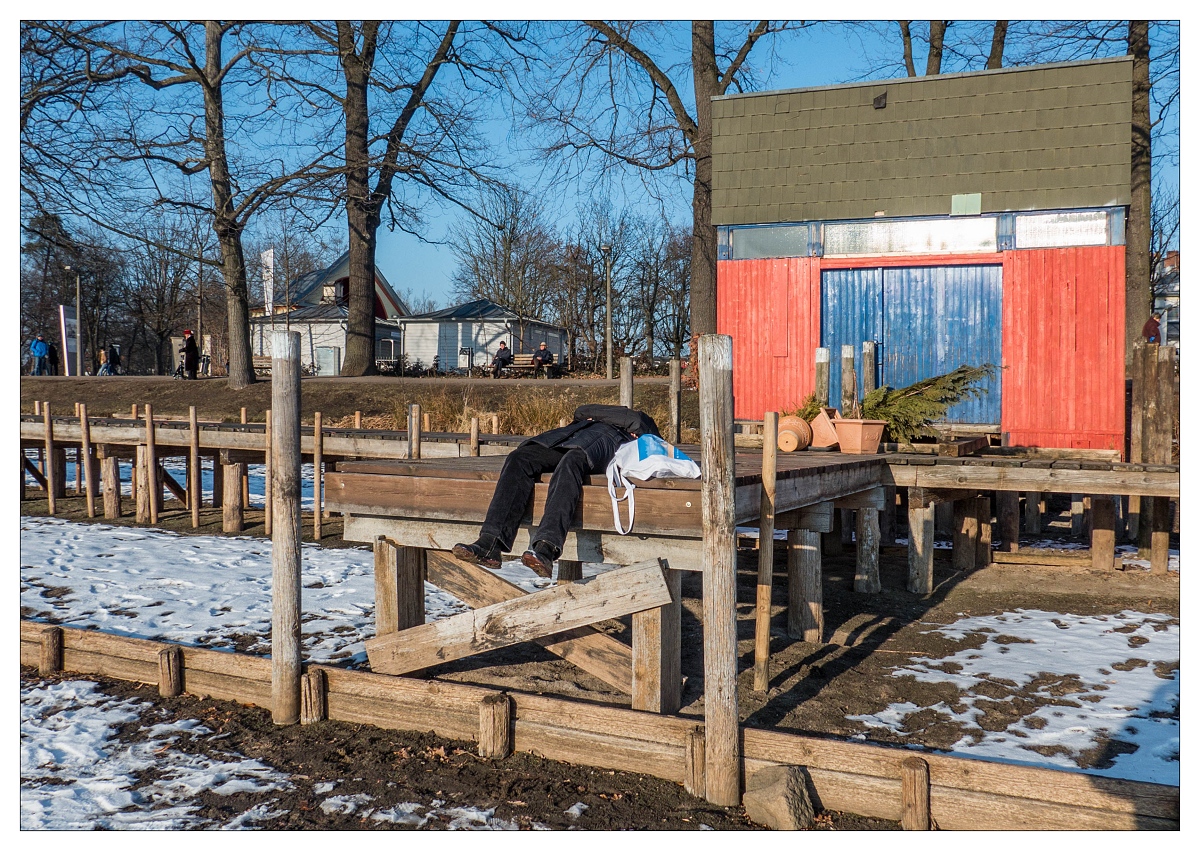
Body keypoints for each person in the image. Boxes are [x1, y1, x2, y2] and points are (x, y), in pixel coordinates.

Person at [452, 404, 661, 577]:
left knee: (572, 462)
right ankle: (489, 543)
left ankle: (546, 548)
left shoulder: (638, 425)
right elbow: (581, 410)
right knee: (519, 458)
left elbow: (636, 422)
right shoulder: (591, 421)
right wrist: (592, 418)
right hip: (567, 438)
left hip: (604, 444)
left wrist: (597, 418)